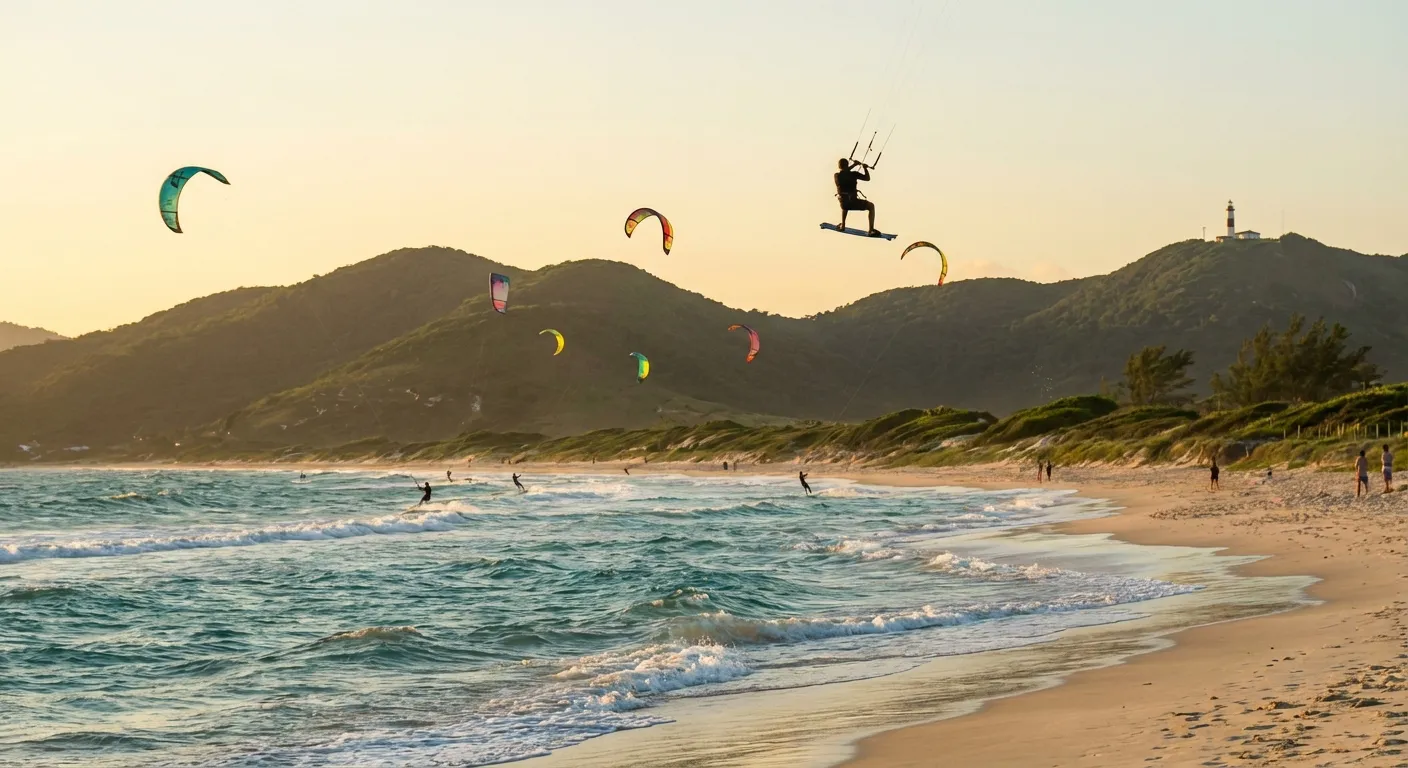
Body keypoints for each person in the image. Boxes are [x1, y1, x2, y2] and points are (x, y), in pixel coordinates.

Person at [834, 159, 878, 235]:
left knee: (845, 204)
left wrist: (854, 165)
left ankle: (843, 225)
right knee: (871, 206)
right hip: (853, 202)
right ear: (847, 165)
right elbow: (867, 178)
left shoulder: (837, 175)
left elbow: (845, 172)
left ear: (839, 166)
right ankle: (871, 230)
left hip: (843, 204)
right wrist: (865, 168)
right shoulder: (853, 174)